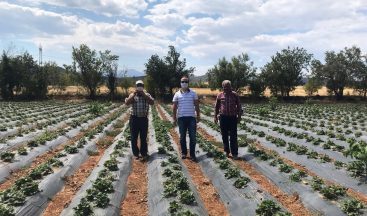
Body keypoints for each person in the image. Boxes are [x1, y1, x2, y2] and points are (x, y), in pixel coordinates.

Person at [125, 80, 154, 161]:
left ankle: (144, 153)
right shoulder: (132, 94)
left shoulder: (147, 94)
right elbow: (126, 103)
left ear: (143, 86)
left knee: (143, 137)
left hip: (144, 119)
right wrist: (133, 95)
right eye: (138, 85)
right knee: (134, 137)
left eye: (141, 85)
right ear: (136, 86)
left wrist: (144, 95)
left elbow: (152, 102)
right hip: (134, 118)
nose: (139, 86)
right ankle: (136, 154)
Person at [173, 76, 200, 162]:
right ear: (180, 83)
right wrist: (174, 118)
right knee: (182, 137)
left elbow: (196, 105)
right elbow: (174, 107)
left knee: (193, 137)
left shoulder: (193, 93)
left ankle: (192, 154)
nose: (184, 83)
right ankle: (184, 153)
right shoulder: (177, 94)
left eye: (185, 81)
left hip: (191, 118)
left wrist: (198, 116)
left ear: (188, 83)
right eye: (182, 81)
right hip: (181, 118)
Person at [214, 80, 242, 160]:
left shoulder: (235, 95)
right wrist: (215, 117)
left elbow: (239, 106)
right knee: (224, 135)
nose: (226, 88)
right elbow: (216, 107)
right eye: (225, 87)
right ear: (222, 87)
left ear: (230, 87)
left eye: (228, 87)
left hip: (233, 117)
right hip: (223, 117)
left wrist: (239, 116)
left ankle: (235, 153)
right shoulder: (220, 95)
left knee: (233, 136)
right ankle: (226, 151)